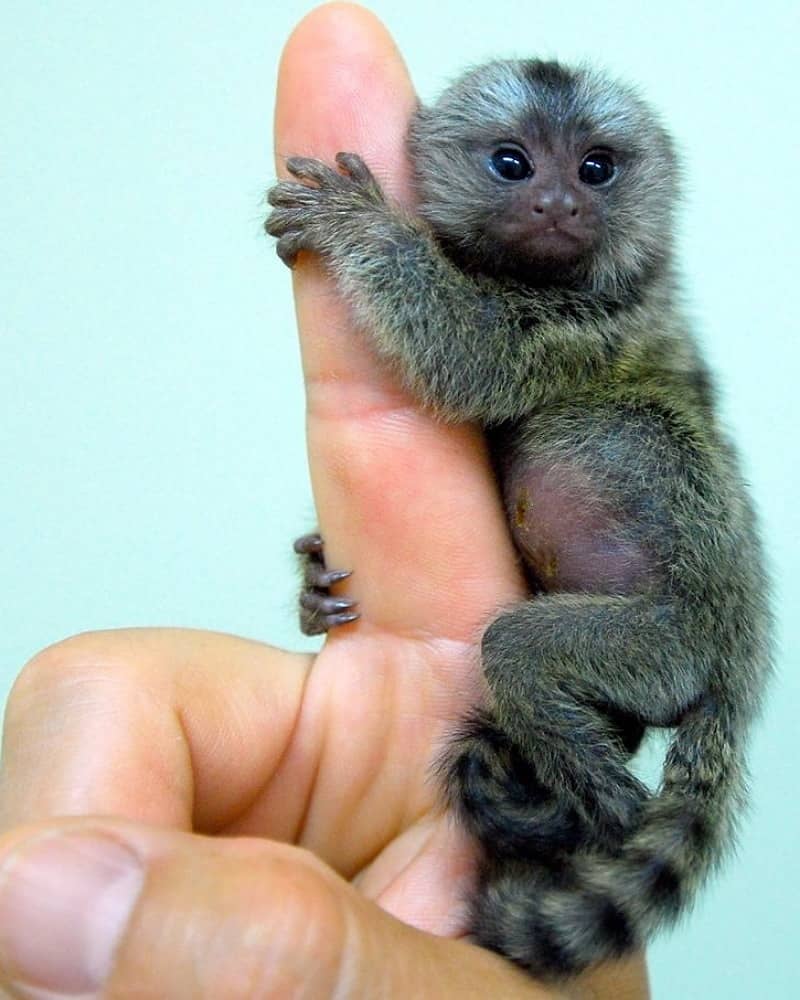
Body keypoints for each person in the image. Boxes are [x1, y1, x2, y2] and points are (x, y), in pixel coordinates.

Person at [0, 5, 648, 997]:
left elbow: (475, 374)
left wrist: (358, 232)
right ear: (436, 165)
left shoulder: (604, 323)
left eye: (594, 169)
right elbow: (467, 501)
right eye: (513, 164)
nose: (560, 197)